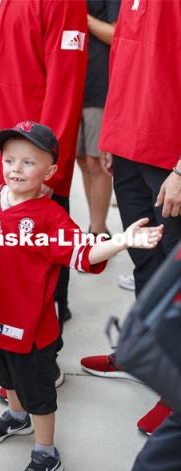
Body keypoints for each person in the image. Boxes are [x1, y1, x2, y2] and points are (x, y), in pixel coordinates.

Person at [0, 121, 163, 471]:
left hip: (31, 326)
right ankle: (17, 417)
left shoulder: (50, 218)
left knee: (39, 393)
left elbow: (84, 252)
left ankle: (47, 453)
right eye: (10, 159)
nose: (16, 168)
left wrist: (123, 240)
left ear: (51, 171)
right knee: (6, 376)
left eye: (29, 162)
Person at [0, 0, 88, 346]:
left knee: (40, 246)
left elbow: (66, 76)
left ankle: (45, 342)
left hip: (31, 150)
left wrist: (48, 156)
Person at [80, 0, 181, 436]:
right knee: (144, 260)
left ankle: (175, 390)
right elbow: (123, 64)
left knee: (173, 279)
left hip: (167, 156)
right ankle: (141, 352)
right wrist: (112, 134)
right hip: (128, 146)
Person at [76, 0, 120, 236]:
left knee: (97, 162)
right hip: (73, 84)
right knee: (82, 160)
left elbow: (117, 35)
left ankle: (98, 229)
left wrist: (83, 18)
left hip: (100, 83)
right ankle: (96, 224)